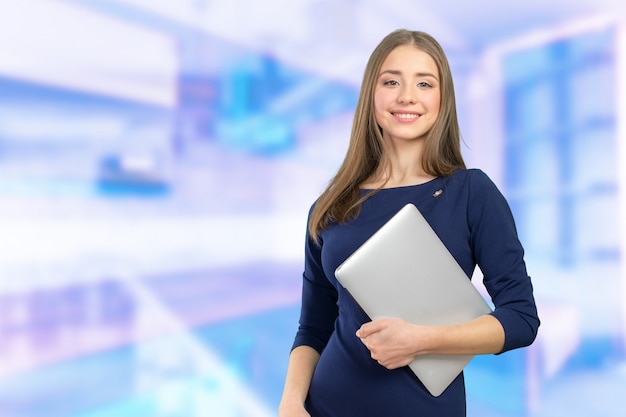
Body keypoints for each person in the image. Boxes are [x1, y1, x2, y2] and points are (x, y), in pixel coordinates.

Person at [278, 29, 540, 417]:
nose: (407, 96)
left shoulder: (471, 193)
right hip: (326, 405)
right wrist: (290, 403)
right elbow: (313, 329)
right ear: (372, 95)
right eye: (391, 81)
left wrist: (422, 340)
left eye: (424, 83)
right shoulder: (331, 206)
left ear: (442, 99)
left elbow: (521, 318)